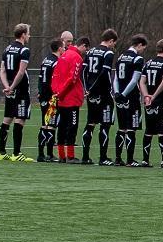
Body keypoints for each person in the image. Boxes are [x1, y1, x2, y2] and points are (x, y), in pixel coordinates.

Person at [0, 23, 34, 162]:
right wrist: (12, 87)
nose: (29, 35)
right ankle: (17, 153)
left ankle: (1, 152)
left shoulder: (7, 49)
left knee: (7, 118)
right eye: (28, 33)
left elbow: (2, 70)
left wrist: (7, 87)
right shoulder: (24, 50)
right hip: (21, 89)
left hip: (10, 90)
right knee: (20, 118)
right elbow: (21, 71)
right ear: (23, 34)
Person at [81, 28, 118, 165]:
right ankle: (103, 157)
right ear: (111, 40)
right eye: (114, 43)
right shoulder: (108, 53)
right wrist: (108, 90)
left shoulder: (90, 52)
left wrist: (87, 88)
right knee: (105, 125)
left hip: (91, 94)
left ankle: (85, 157)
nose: (114, 46)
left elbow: (83, 71)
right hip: (103, 93)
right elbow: (104, 73)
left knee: (90, 124)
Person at [139, 39, 163, 168]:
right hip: (162, 101)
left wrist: (146, 96)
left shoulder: (148, 63)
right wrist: (154, 96)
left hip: (149, 102)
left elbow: (142, 81)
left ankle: (145, 160)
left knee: (149, 130)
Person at [52, 37, 89, 163]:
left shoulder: (64, 55)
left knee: (62, 125)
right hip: (71, 98)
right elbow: (72, 79)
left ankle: (62, 155)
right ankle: (71, 156)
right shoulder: (77, 58)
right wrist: (62, 93)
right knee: (72, 126)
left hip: (61, 98)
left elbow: (55, 75)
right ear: (83, 46)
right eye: (86, 48)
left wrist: (56, 92)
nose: (85, 51)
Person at [113, 34, 148, 167]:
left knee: (121, 128)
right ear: (139, 45)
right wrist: (124, 94)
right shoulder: (138, 59)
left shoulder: (121, 57)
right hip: (131, 97)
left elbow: (116, 77)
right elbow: (134, 80)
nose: (143, 50)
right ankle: (130, 160)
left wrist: (117, 93)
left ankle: (117, 159)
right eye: (143, 48)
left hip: (119, 96)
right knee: (131, 129)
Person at [36, 39, 63, 162]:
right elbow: (54, 81)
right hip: (51, 97)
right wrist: (55, 94)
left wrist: (40, 92)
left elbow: (41, 78)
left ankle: (41, 154)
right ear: (59, 48)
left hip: (43, 96)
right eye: (62, 47)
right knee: (51, 125)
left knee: (44, 124)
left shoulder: (45, 60)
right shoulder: (57, 62)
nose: (64, 50)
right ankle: (50, 155)